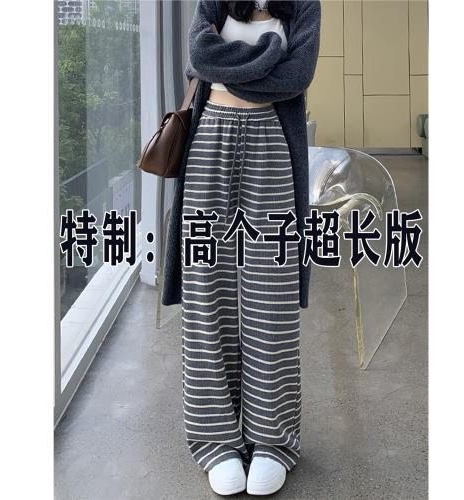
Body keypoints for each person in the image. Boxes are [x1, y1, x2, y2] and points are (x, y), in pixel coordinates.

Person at [162, 0, 321, 495]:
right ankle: (217, 441)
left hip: (272, 144)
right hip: (209, 140)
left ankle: (272, 441)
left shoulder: (304, 5)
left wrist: (230, 69)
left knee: (271, 298)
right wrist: (270, 51)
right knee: (205, 293)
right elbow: (199, 57)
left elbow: (297, 76)